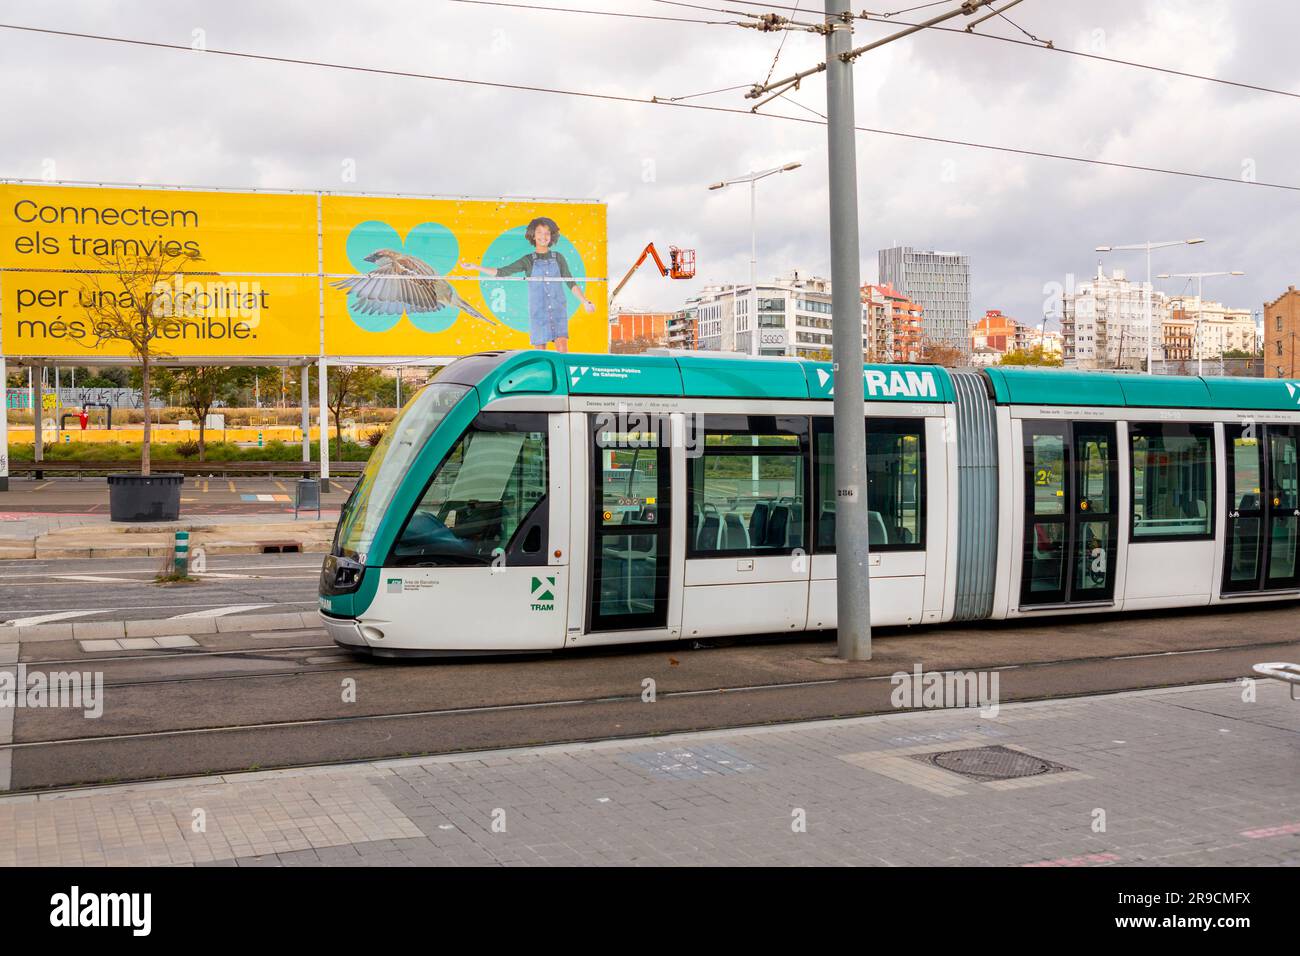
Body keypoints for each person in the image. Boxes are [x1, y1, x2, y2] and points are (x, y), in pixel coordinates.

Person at [462, 217, 595, 352]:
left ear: (552, 235)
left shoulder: (558, 257)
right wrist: (475, 267)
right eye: (539, 232)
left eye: (547, 233)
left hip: (558, 309)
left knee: (562, 347)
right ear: (533, 235)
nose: (543, 236)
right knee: (540, 352)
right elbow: (502, 272)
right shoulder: (528, 260)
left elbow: (570, 282)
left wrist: (585, 301)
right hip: (538, 312)